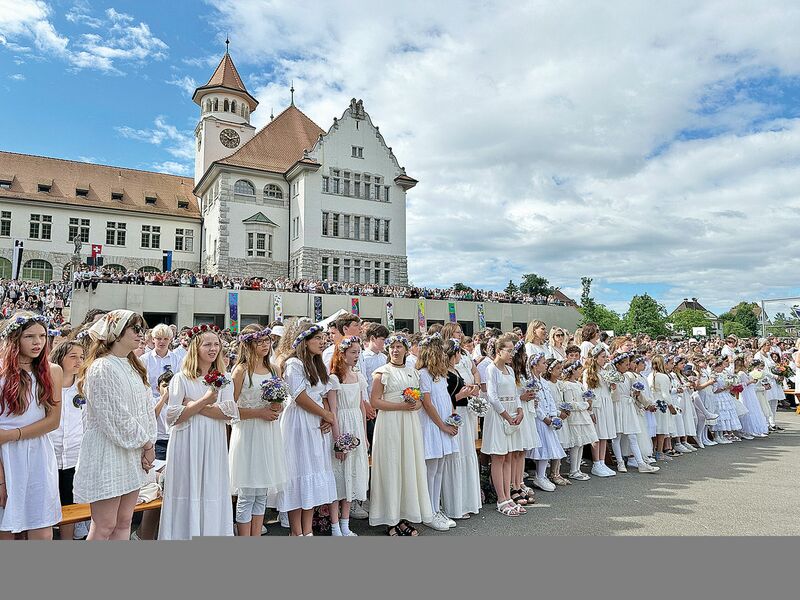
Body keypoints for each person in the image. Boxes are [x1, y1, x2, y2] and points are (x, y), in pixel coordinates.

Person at [72, 310, 156, 541]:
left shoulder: (133, 365)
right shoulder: (102, 367)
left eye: (142, 329)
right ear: (116, 333)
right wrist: (146, 443)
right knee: (105, 525)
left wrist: (148, 442)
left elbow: (146, 410)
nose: (141, 334)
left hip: (133, 451)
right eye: (135, 329)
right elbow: (116, 416)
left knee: (124, 522)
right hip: (108, 452)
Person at [159, 323, 239, 539]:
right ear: (196, 348)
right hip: (188, 441)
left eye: (216, 344)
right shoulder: (181, 378)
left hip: (213, 441)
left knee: (211, 487)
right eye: (207, 344)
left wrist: (194, 405)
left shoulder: (225, 378)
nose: (213, 349)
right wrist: (205, 401)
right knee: (187, 487)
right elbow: (173, 416)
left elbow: (229, 413)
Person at [0, 313, 63, 540]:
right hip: (4, 457)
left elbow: (53, 421)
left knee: (41, 527)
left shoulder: (52, 370)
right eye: (30, 336)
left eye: (42, 336)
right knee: (5, 529)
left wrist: (12, 434)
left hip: (38, 453)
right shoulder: (2, 371)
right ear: (15, 338)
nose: (38, 342)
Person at [278, 321, 337, 536]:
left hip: (315, 423)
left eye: (323, 338)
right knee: (298, 472)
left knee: (312, 472)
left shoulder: (317, 364)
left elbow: (323, 394)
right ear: (304, 341)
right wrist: (325, 414)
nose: (322, 342)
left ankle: (307, 530)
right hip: (299, 423)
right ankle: (296, 531)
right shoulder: (294, 363)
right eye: (317, 339)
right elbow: (299, 396)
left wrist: (327, 416)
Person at [368, 335, 432, 535]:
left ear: (406, 349)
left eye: (399, 347)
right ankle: (390, 519)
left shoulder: (413, 372)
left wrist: (416, 404)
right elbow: (375, 401)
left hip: (409, 424)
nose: (395, 350)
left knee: (407, 466)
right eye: (392, 347)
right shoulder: (382, 372)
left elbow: (420, 399)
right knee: (391, 466)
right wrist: (401, 406)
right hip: (390, 423)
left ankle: (404, 515)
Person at [229, 325, 287, 537]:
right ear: (249, 344)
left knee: (261, 491)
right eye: (260, 341)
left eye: (267, 341)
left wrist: (276, 407)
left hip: (268, 433)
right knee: (247, 492)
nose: (265, 345)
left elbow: (280, 401)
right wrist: (259, 413)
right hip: (248, 432)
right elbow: (230, 409)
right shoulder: (240, 371)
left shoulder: (274, 369)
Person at [416, 333, 459, 532]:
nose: (443, 354)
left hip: (444, 423)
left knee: (440, 467)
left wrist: (452, 417)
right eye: (440, 350)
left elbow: (446, 398)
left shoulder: (440, 375)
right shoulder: (424, 374)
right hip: (432, 426)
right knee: (430, 469)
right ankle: (428, 512)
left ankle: (436, 507)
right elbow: (427, 403)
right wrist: (442, 425)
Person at [480, 333, 526, 517]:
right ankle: (501, 499)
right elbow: (492, 396)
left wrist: (520, 409)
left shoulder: (510, 369)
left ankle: (508, 496)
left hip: (512, 413)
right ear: (499, 351)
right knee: (498, 457)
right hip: (498, 416)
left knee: (508, 456)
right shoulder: (491, 369)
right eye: (509, 350)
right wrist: (507, 416)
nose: (512, 354)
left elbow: (515, 393)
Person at [328, 335, 369, 536]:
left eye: (358, 352)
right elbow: (333, 411)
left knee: (352, 474)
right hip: (341, 426)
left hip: (356, 427)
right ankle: (335, 525)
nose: (356, 356)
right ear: (342, 354)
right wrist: (338, 442)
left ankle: (346, 523)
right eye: (353, 352)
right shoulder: (334, 379)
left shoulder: (358, 377)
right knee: (339, 476)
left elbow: (361, 406)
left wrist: (365, 434)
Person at [48, 340, 86, 540]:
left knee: (70, 506)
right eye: (73, 356)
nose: (78, 361)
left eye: (81, 356)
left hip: (74, 456)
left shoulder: (83, 386)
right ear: (59, 358)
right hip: (49, 455)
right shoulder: (45, 385)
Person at [444, 338, 481, 521]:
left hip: (465, 412)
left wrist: (470, 391)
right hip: (456, 412)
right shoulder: (445, 373)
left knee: (467, 453)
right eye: (458, 353)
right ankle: (455, 505)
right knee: (456, 456)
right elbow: (447, 398)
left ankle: (468, 500)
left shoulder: (456, 370)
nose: (461, 356)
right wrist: (462, 394)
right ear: (452, 354)